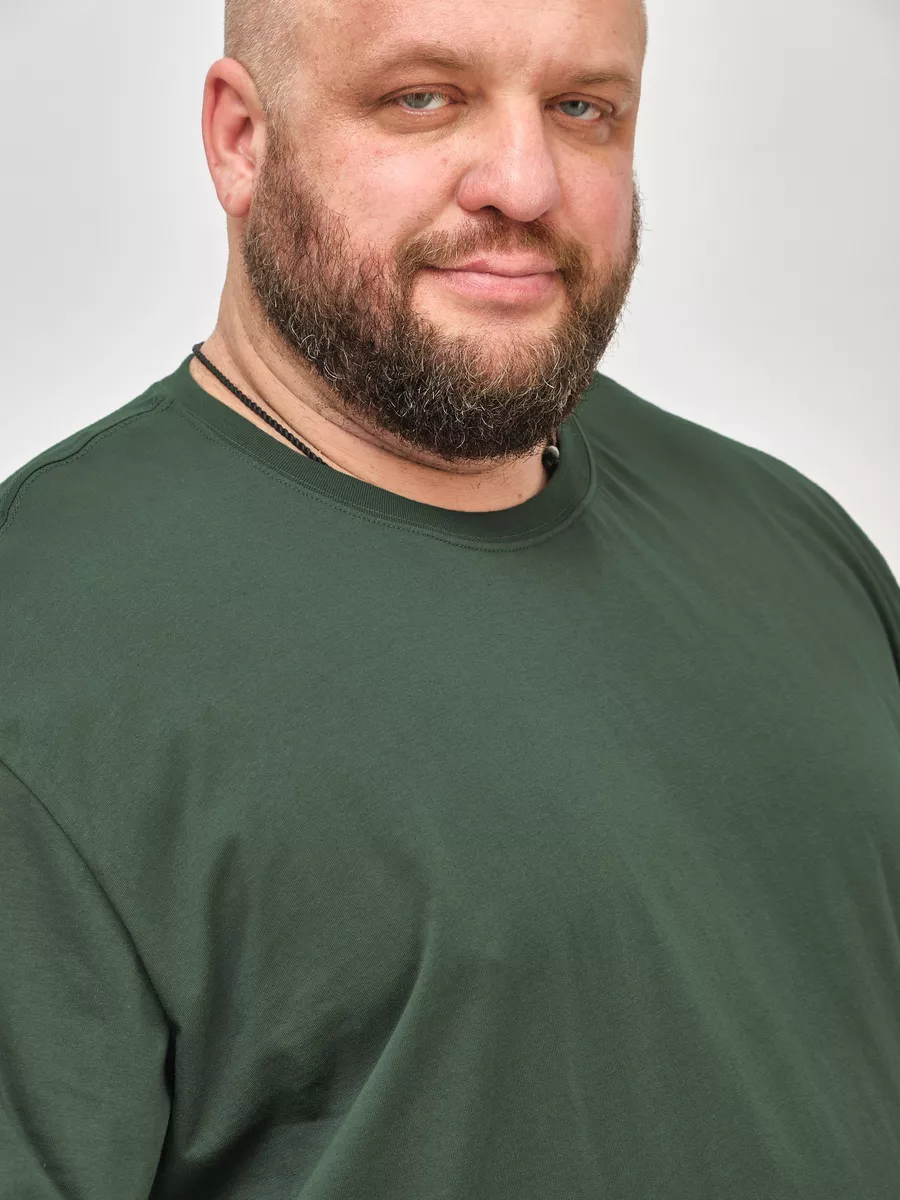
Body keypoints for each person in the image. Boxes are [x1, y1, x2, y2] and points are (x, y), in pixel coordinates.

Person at [1, 0, 899, 1196]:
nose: (524, 184)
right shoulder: (42, 642)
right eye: (422, 98)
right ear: (241, 139)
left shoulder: (787, 537)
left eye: (582, 108)